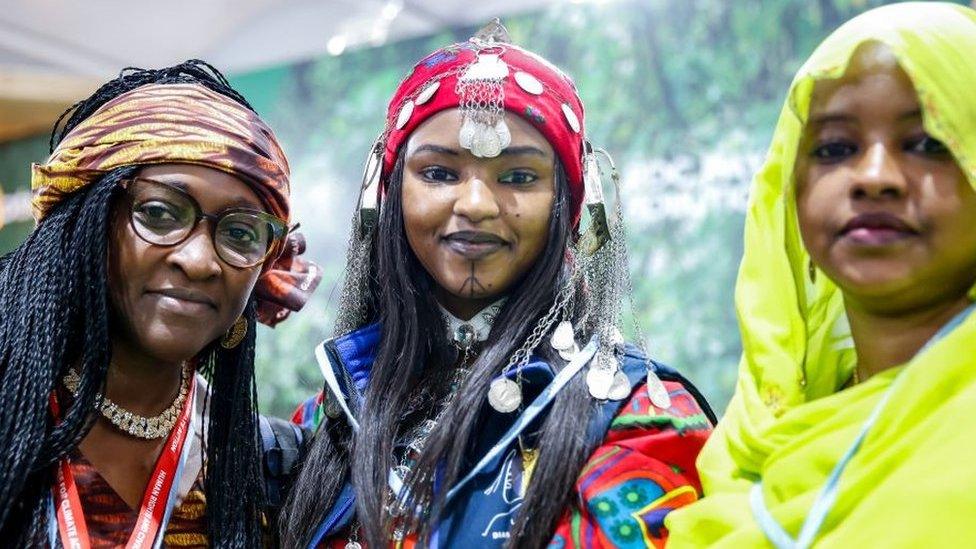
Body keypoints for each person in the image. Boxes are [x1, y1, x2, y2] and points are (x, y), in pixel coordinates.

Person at [280, 22, 715, 549]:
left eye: (518, 178)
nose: (476, 205)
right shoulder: (328, 417)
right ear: (390, 195)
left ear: (568, 206)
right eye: (439, 173)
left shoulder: (638, 417)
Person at [666, 3, 976, 547]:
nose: (875, 178)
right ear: (789, 199)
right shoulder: (756, 441)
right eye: (835, 148)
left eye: (929, 143)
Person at [0, 60, 319, 547]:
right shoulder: (13, 415)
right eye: (158, 212)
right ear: (84, 222)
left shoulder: (273, 467)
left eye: (239, 233)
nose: (198, 260)